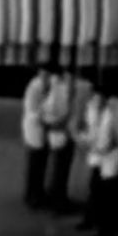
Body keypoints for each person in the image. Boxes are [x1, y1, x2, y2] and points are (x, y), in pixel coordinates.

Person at [75, 85, 118, 236]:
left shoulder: (115, 113)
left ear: (105, 99)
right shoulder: (92, 109)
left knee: (110, 194)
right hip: (100, 155)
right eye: (93, 98)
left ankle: (108, 229)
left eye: (98, 98)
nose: (95, 101)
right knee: (96, 189)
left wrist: (99, 146)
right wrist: (84, 140)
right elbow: (90, 130)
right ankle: (93, 220)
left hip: (115, 158)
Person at [21, 62, 55, 209]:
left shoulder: (50, 86)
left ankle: (39, 192)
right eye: (43, 74)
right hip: (34, 128)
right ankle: (31, 195)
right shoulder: (34, 87)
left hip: (44, 129)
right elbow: (32, 110)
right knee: (34, 164)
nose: (45, 77)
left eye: (47, 75)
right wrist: (46, 117)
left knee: (42, 163)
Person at [42, 68, 74, 212]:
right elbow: (63, 113)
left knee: (56, 166)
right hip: (61, 133)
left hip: (55, 132)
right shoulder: (60, 92)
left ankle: (55, 197)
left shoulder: (52, 93)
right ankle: (58, 201)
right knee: (60, 168)